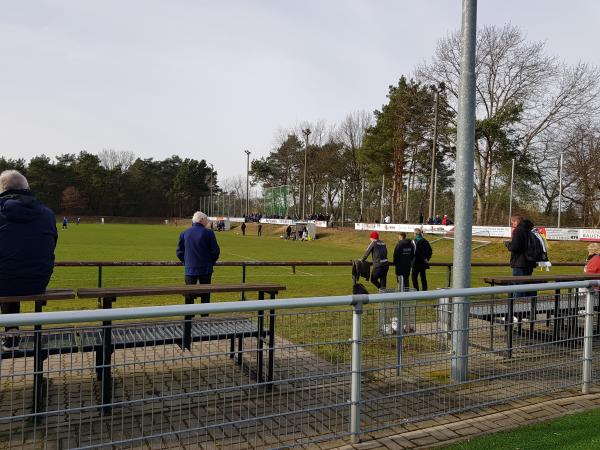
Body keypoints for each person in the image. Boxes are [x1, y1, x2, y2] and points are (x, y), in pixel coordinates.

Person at [0, 170, 57, 350]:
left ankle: (11, 335)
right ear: (27, 188)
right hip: (37, 282)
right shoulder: (47, 213)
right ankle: (12, 335)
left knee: (7, 277)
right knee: (10, 273)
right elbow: (52, 244)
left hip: (6, 281)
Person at [176, 211, 220, 316]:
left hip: (190, 269)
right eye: (206, 220)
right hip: (206, 269)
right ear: (201, 220)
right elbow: (215, 251)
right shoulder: (209, 233)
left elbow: (179, 252)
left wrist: (186, 262)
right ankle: (204, 319)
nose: (207, 222)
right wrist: (211, 262)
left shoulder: (184, 233)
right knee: (205, 295)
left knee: (189, 295)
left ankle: (189, 319)